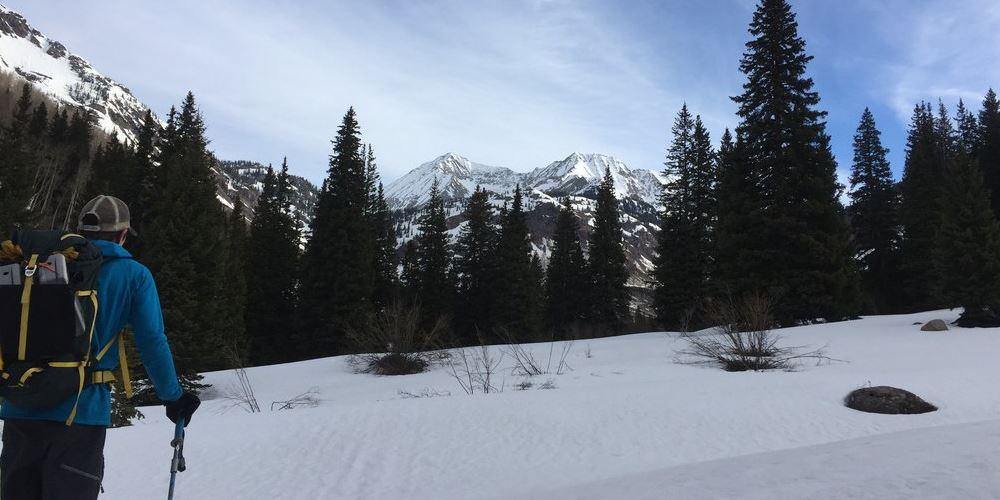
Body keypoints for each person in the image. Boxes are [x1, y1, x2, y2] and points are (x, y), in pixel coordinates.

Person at [0, 195, 201, 499]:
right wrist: (173, 397)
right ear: (122, 235)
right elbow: (152, 340)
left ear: (80, 231)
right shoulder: (133, 274)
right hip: (80, 414)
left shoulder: (41, 266)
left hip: (21, 405)